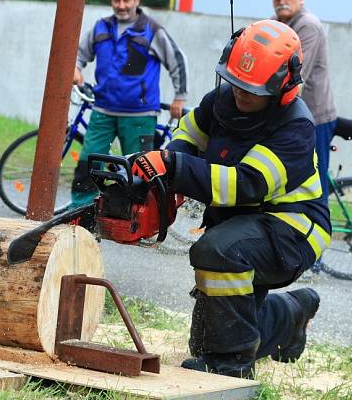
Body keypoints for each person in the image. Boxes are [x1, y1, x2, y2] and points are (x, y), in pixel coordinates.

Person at [128, 20, 330, 378]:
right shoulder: (222, 101)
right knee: (213, 331)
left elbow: (246, 184)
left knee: (218, 251)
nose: (240, 92)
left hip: (293, 226)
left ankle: (232, 364)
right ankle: (289, 316)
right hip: (243, 222)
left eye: (251, 87)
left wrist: (174, 168)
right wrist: (167, 175)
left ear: (283, 85)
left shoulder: (295, 128)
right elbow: (188, 132)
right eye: (235, 81)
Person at [70, 0, 189, 208]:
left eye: (126, 0)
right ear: (111, 1)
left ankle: (136, 216)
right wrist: (75, 67)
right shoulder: (101, 27)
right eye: (117, 0)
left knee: (139, 169)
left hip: (139, 114)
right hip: (103, 109)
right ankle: (81, 211)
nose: (121, 5)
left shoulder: (152, 30)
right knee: (88, 162)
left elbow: (177, 61)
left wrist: (179, 97)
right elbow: (79, 53)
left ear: (137, 0)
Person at [270, 0, 337, 201]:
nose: (281, 1)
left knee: (314, 183)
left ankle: (321, 231)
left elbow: (295, 77)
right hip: (291, 113)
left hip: (314, 117)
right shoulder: (275, 24)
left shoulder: (308, 25)